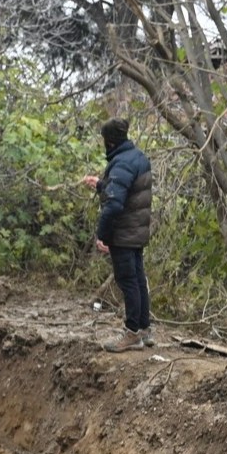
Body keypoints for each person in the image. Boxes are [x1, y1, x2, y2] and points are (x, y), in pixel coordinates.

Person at [82, 118, 153, 352]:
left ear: (109, 141)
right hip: (137, 230)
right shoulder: (137, 157)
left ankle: (132, 333)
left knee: (127, 281)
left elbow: (114, 204)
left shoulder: (121, 163)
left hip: (123, 232)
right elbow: (125, 189)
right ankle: (144, 329)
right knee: (138, 279)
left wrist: (102, 235)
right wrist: (101, 184)